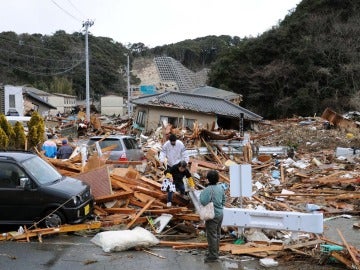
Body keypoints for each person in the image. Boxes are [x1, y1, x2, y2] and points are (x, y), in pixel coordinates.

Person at [200, 170, 226, 263]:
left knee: (212, 235)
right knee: (217, 234)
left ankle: (213, 255)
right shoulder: (220, 188)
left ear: (208, 179)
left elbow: (203, 201)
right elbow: (224, 200)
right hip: (220, 214)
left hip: (212, 214)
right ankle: (215, 251)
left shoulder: (207, 189)